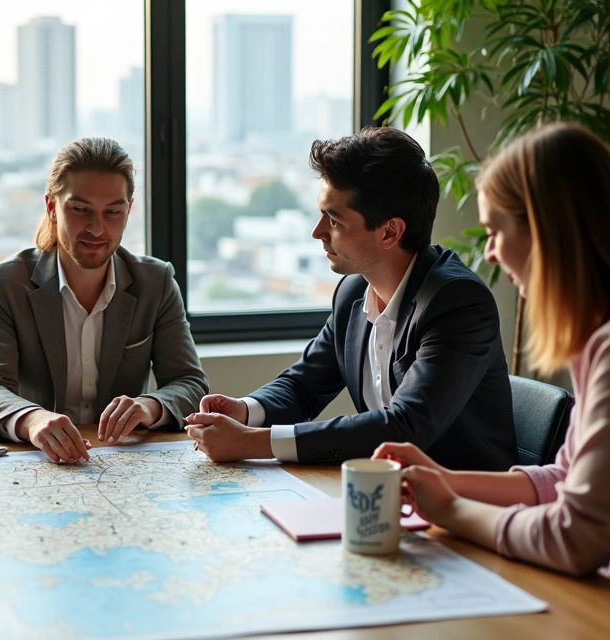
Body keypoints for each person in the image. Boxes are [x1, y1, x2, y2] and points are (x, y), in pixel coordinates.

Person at [376, 123, 610, 634]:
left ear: (548, 230)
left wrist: (452, 510)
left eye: (497, 231)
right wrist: (447, 481)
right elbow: (566, 480)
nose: (491, 253)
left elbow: (575, 534)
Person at [186, 127, 516, 470]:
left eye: (334, 219)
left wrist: (255, 442)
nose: (318, 232)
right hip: (390, 493)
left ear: (390, 231)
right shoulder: (353, 291)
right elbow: (304, 386)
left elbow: (406, 425)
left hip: (468, 503)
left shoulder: (458, 302)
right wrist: (245, 410)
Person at [0, 137, 209, 463]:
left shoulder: (156, 281)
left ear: (128, 211)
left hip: (123, 464)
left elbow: (190, 383)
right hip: (38, 461)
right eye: (80, 210)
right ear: (52, 207)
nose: (97, 229)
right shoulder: (3, 284)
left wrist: (149, 407)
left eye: (112, 212)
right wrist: (33, 419)